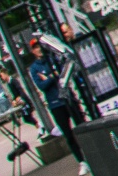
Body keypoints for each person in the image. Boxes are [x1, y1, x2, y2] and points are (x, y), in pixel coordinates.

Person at [22, 37, 84, 167]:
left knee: (82, 126)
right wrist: (51, 76)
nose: (39, 49)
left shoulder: (53, 59)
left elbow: (63, 73)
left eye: (40, 46)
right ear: (33, 51)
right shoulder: (34, 68)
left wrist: (49, 77)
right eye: (35, 48)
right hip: (55, 104)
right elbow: (42, 85)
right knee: (68, 134)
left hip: (67, 97)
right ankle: (82, 161)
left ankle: (91, 152)